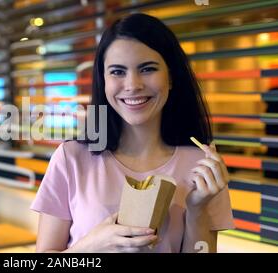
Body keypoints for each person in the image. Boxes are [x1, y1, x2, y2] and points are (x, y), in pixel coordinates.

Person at [30, 13, 234, 253]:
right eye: (117, 72)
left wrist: (198, 209)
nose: (133, 85)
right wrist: (92, 245)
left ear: (171, 78)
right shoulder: (71, 158)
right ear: (103, 80)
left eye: (147, 69)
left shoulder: (202, 167)